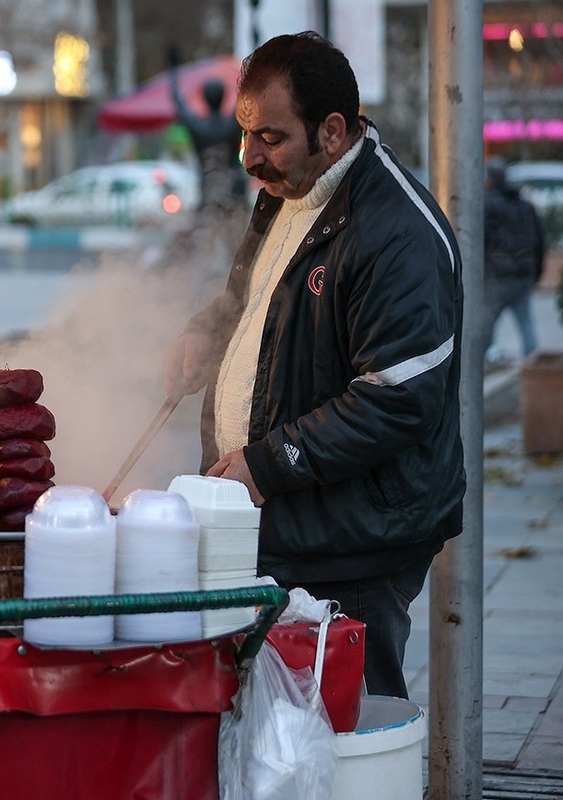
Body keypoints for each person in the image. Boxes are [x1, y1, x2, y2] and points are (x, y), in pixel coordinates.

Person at [163, 32, 465, 699]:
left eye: (269, 137)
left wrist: (265, 466)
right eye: (246, 135)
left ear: (332, 131)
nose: (249, 157)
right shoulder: (286, 190)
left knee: (344, 729)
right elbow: (251, 297)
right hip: (281, 527)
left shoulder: (395, 232)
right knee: (269, 724)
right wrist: (203, 333)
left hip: (354, 539)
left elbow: (397, 396)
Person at [481, 156, 545, 363]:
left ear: (490, 178)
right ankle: (533, 366)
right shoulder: (524, 205)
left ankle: (480, 364)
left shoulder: (487, 204)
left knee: (485, 323)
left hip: (497, 275)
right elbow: (538, 240)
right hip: (523, 274)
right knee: (526, 323)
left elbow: (480, 240)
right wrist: (536, 273)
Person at [169, 47, 247, 213]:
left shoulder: (197, 127)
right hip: (236, 192)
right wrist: (256, 51)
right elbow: (249, 89)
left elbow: (178, 102)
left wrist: (173, 71)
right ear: (224, 97)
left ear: (204, 98)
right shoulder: (232, 123)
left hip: (208, 193)